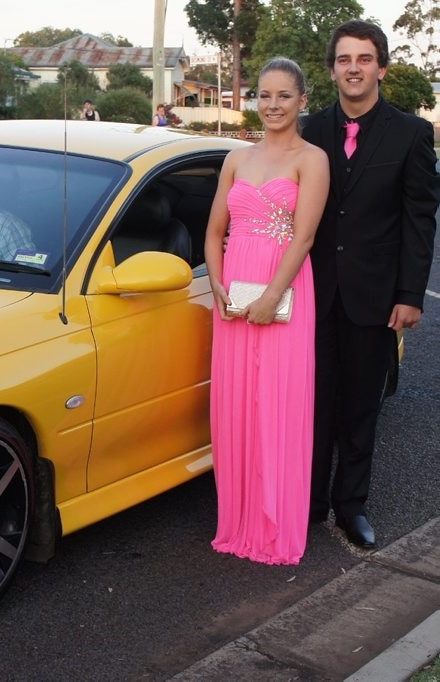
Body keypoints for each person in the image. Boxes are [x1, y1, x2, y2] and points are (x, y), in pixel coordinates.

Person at [301, 20, 438, 549]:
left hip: (376, 297)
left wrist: (409, 295)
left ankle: (350, 505)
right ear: (333, 68)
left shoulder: (410, 133)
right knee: (312, 404)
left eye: (363, 59)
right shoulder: (310, 129)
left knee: (360, 406)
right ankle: (310, 502)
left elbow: (418, 218)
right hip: (311, 294)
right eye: (343, 59)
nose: (353, 68)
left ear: (381, 67)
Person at [204, 57, 330, 565]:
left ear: (302, 100)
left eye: (283, 96)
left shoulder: (312, 159)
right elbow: (214, 232)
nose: (272, 106)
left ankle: (276, 525)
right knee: (236, 405)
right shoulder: (237, 158)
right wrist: (216, 283)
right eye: (264, 95)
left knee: (278, 405)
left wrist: (272, 297)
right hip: (233, 300)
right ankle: (238, 519)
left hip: (285, 293)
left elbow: (305, 237)